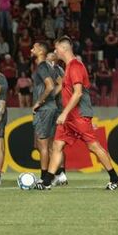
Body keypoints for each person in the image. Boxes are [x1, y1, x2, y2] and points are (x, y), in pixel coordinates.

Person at [35, 38, 118, 191]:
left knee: (94, 147)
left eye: (56, 49)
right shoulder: (68, 67)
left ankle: (115, 178)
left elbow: (78, 93)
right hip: (69, 117)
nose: (54, 52)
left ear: (64, 49)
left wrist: (65, 113)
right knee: (57, 145)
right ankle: (47, 182)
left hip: (78, 115)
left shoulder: (75, 66)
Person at [30, 42, 67, 186]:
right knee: (50, 145)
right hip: (51, 108)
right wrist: (51, 98)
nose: (32, 49)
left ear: (40, 51)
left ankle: (44, 178)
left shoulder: (42, 66)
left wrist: (40, 101)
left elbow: (51, 85)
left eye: (34, 47)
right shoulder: (50, 67)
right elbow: (61, 83)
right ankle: (56, 174)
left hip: (44, 110)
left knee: (42, 145)